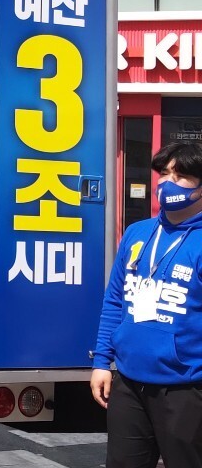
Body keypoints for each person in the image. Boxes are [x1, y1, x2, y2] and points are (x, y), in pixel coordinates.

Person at [91, 141, 202, 468]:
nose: (169, 183)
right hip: (129, 381)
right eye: (165, 173)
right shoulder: (137, 233)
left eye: (182, 176)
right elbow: (114, 301)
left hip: (186, 387)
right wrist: (101, 361)